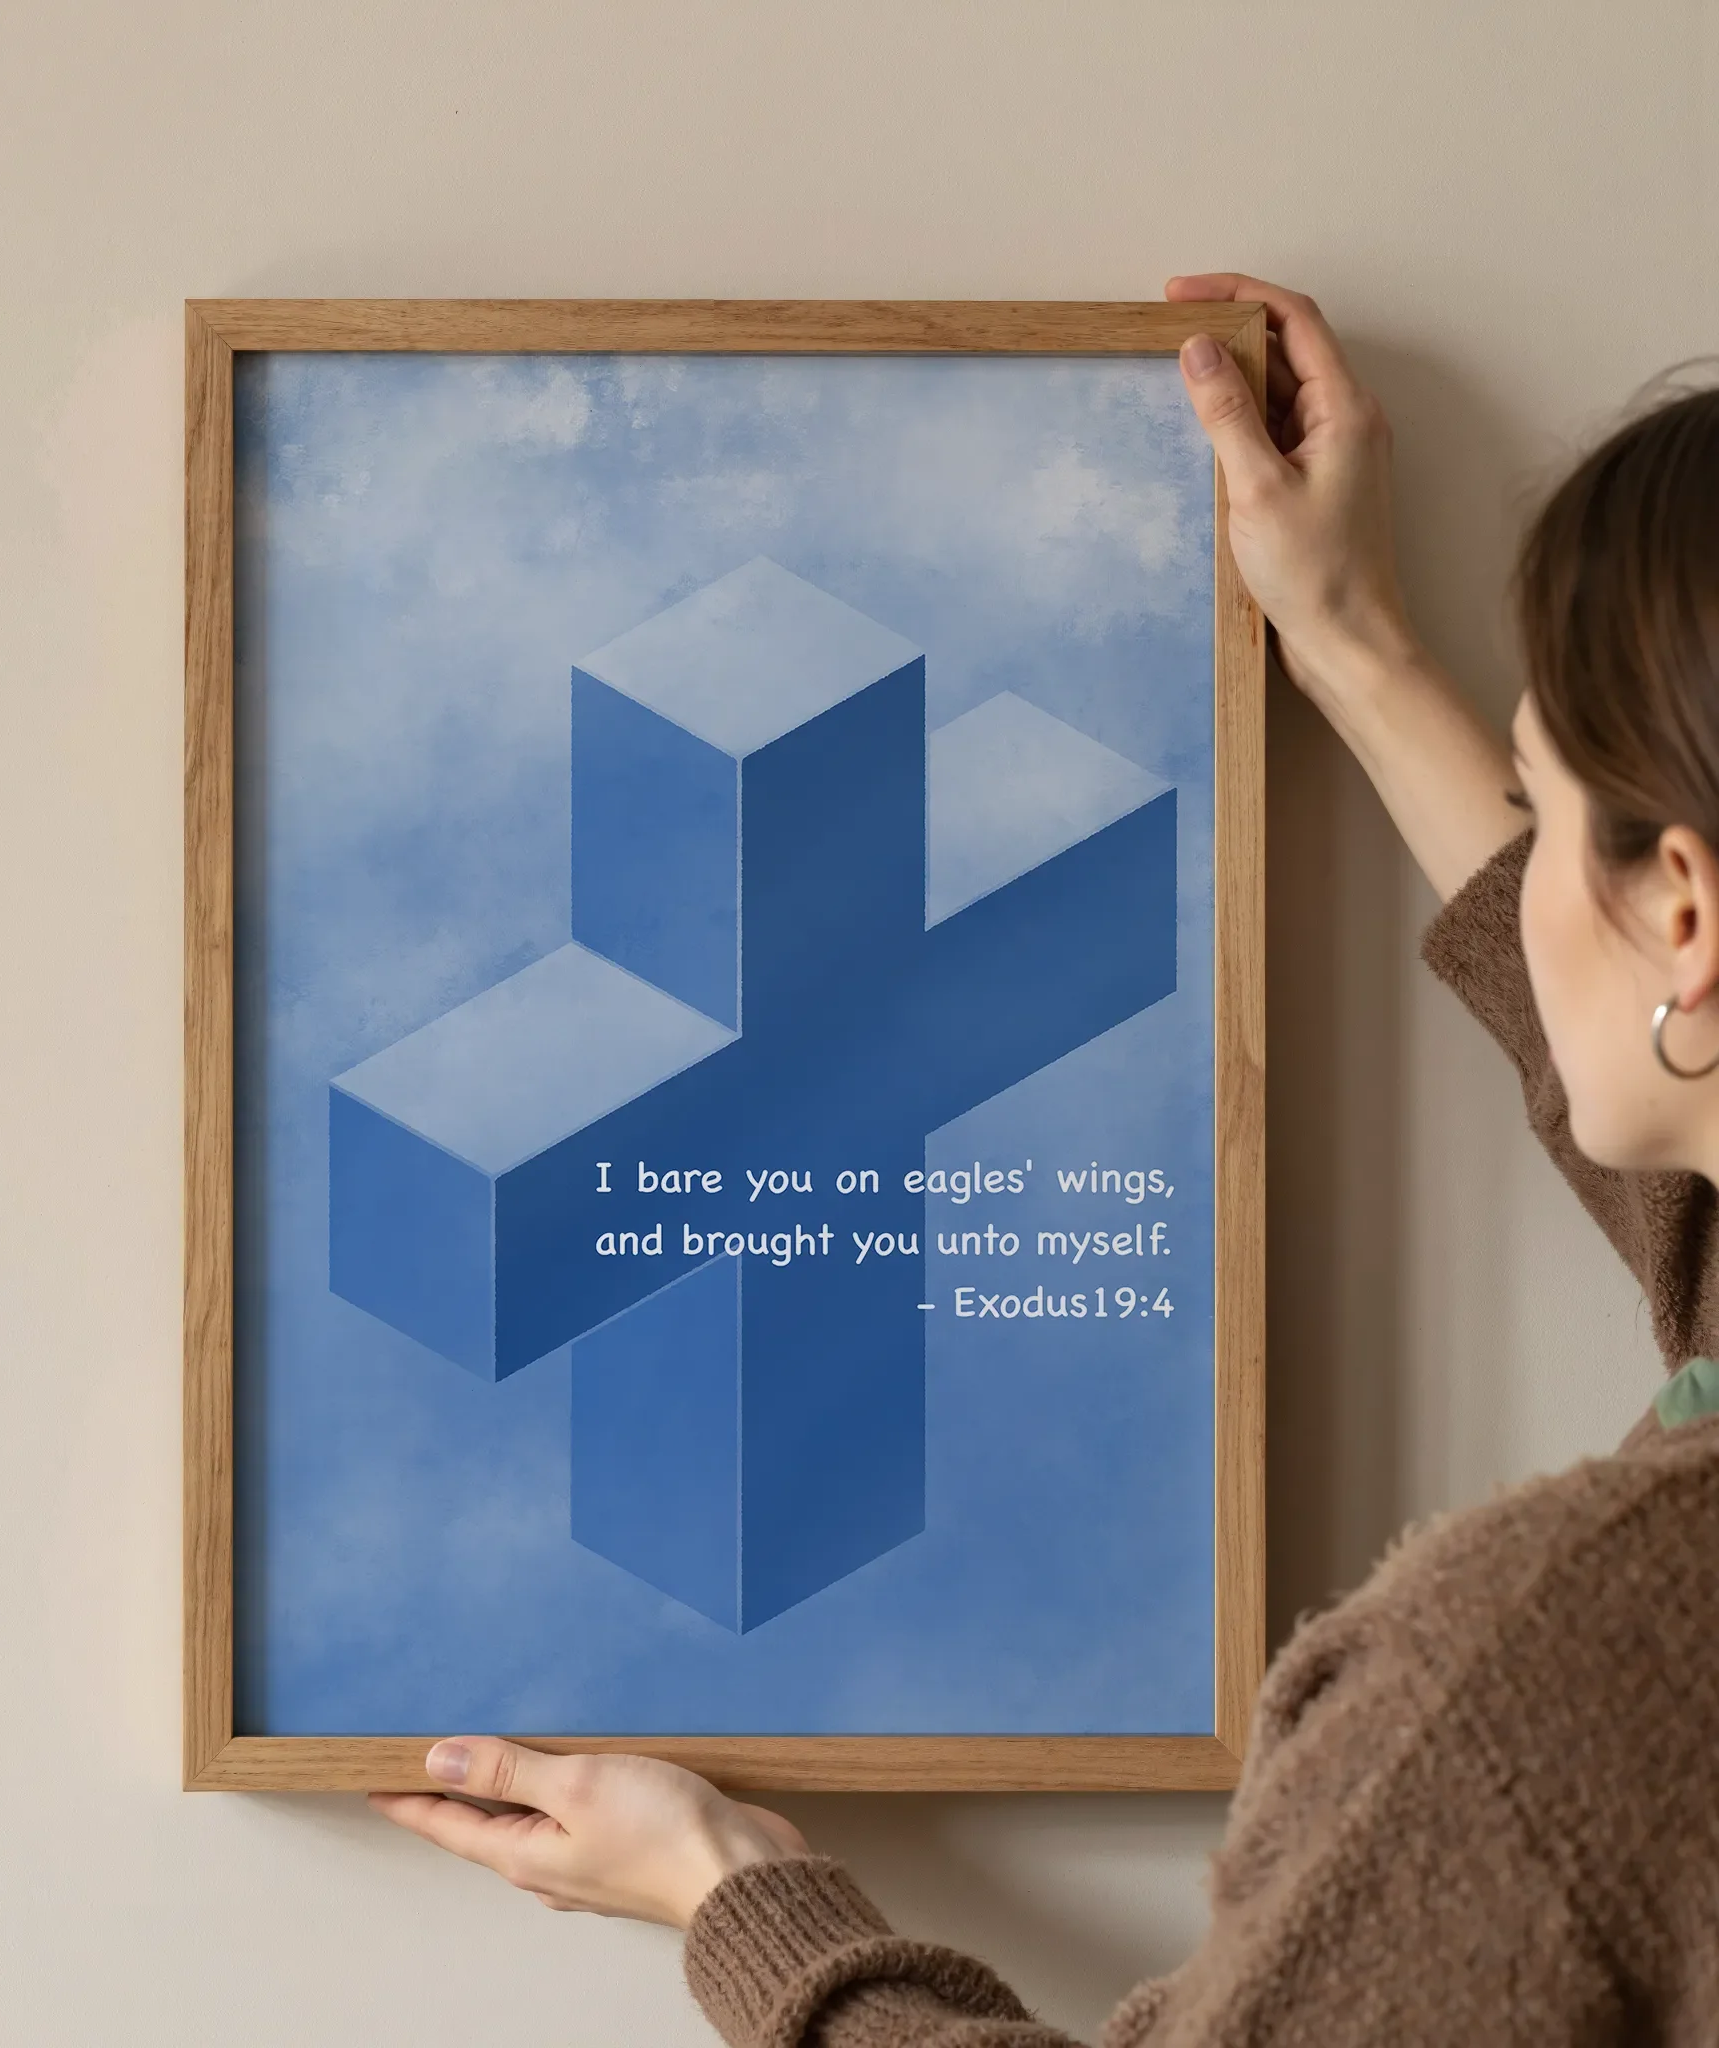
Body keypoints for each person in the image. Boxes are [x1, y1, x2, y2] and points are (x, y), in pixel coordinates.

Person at [370, 273, 1719, 2044]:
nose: (1525, 877)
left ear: (1683, 907)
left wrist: (734, 1897)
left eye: (1544, 816)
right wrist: (1348, 638)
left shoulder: (1558, 1666)